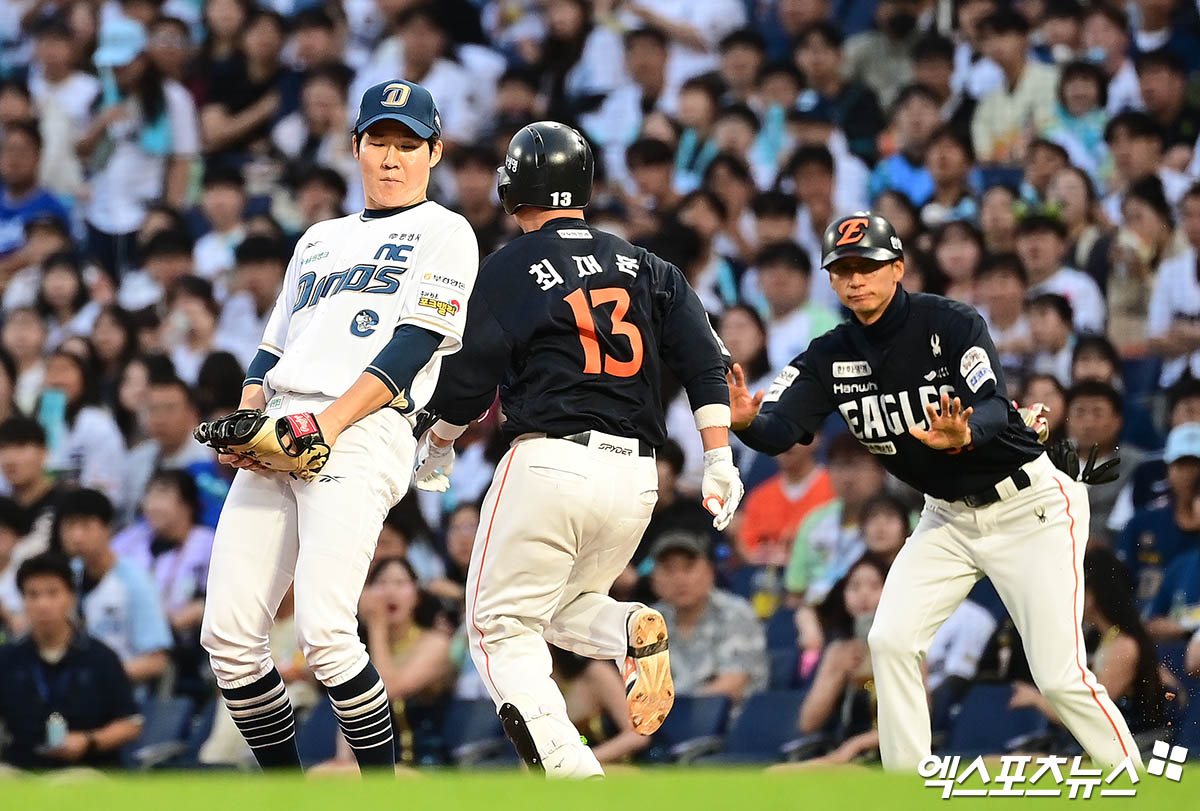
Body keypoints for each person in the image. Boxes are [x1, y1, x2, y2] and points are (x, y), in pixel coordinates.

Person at [727, 210, 1141, 771]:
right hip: (947, 518)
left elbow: (993, 403)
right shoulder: (829, 355)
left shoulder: (949, 323)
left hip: (1029, 504)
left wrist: (965, 432)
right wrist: (747, 422)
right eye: (842, 269)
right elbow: (779, 430)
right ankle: (907, 789)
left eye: (868, 265)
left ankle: (1132, 780)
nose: (855, 279)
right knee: (890, 641)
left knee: (1058, 674)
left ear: (898, 267)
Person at [417, 121, 743, 778]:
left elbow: (468, 379)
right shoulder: (646, 263)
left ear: (513, 190)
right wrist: (719, 458)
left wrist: (439, 443)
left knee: (497, 628)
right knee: (558, 608)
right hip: (636, 478)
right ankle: (627, 627)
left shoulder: (510, 264)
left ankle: (569, 771)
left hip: (550, 462)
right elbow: (707, 361)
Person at [198, 79, 479, 774]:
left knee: (326, 632)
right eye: (379, 140)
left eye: (408, 143)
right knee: (228, 639)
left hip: (364, 426)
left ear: (435, 152)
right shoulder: (319, 238)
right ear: (355, 146)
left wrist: (323, 423)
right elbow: (272, 347)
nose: (391, 156)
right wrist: (251, 419)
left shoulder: (447, 231)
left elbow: (415, 343)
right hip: (287, 423)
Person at [0, 553, 142, 770]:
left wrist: (89, 741)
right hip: (22, 767)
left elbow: (130, 724)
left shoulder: (99, 657)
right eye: (32, 595)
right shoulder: (9, 658)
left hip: (87, 767)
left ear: (71, 598)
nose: (43, 604)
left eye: (53, 593)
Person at [649, 531, 767, 703]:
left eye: (688, 567)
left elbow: (734, 683)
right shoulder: (649, 621)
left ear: (710, 572)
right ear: (654, 580)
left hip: (727, 717)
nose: (679, 579)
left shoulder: (736, 613)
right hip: (661, 716)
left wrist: (677, 709)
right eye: (669, 570)